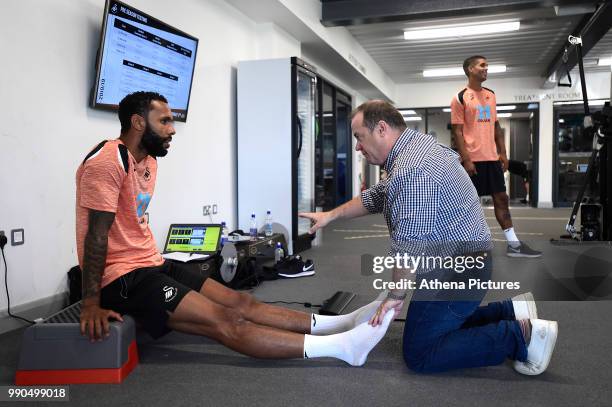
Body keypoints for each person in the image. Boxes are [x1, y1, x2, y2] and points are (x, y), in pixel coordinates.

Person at [76, 91, 394, 366]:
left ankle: (341, 323)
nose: (172, 129)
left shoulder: (149, 161)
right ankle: (343, 348)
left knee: (242, 302)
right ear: (137, 122)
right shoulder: (108, 160)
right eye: (164, 122)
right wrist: (91, 303)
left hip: (151, 263)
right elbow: (97, 235)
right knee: (227, 321)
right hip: (121, 279)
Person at [300, 100, 558, 375]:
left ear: (382, 129)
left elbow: (409, 244)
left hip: (457, 271)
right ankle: (512, 311)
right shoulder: (415, 147)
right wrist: (330, 215)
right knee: (433, 324)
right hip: (461, 261)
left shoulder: (412, 170)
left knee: (420, 352)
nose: (357, 147)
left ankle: (521, 336)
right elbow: (376, 196)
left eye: (359, 137)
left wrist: (395, 295)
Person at [450, 55, 541, 257]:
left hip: (492, 159)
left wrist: (503, 153)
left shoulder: (491, 95)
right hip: (472, 160)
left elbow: (496, 127)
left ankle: (514, 245)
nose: (486, 68)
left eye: (487, 65)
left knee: (501, 199)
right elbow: (457, 132)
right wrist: (466, 159)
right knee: (468, 206)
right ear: (470, 69)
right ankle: (467, 247)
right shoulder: (460, 97)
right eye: (482, 65)